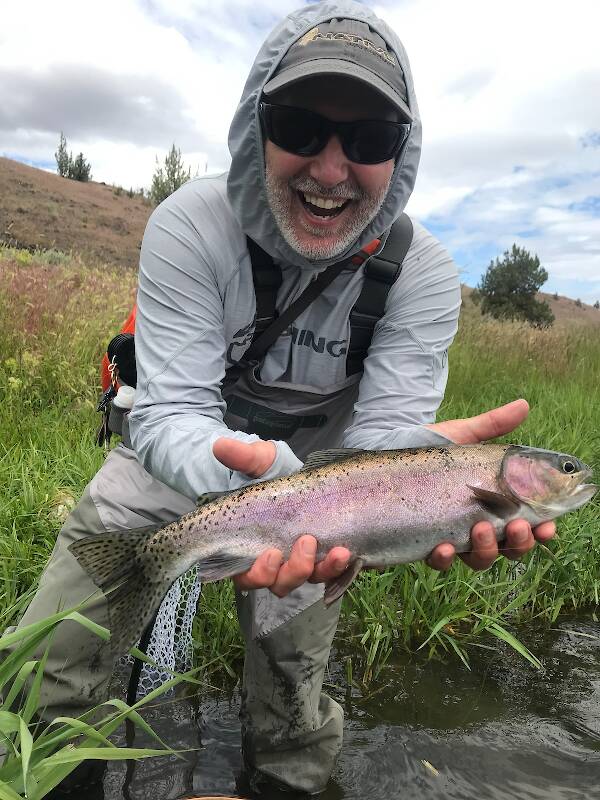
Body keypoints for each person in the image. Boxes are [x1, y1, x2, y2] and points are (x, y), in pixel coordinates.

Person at [12, 1, 555, 796]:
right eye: (300, 126)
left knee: (293, 713)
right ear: (255, 122)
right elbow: (164, 418)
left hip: (329, 498)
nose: (332, 170)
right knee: (44, 682)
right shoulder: (191, 225)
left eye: (369, 140)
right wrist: (268, 481)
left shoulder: (422, 274)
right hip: (170, 461)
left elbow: (384, 446)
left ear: (401, 155)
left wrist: (416, 481)